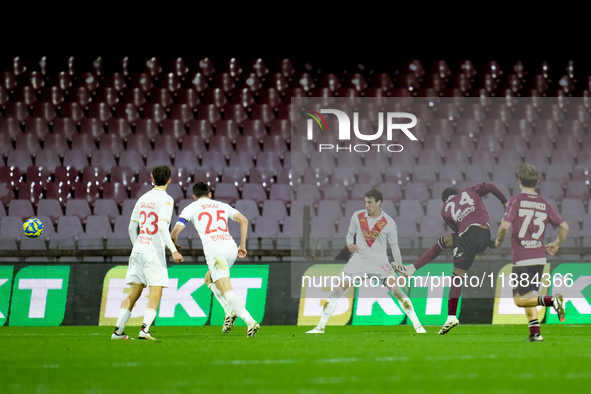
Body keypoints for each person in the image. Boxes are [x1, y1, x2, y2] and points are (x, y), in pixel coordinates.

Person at [393, 182, 508, 335]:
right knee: (445, 240)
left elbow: (460, 231)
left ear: (444, 200)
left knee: (456, 275)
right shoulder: (470, 191)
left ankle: (451, 316)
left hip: (469, 235)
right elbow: (489, 185)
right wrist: (504, 201)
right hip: (485, 233)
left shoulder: (445, 209)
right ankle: (411, 269)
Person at [306, 189, 426, 334]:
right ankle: (320, 327)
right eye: (365, 202)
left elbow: (395, 248)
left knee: (398, 292)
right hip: (358, 261)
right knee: (337, 290)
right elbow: (350, 235)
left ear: (379, 202)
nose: (366, 205)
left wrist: (401, 272)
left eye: (369, 202)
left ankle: (418, 326)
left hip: (380, 263)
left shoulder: (389, 222)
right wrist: (350, 245)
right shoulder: (357, 216)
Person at [171, 182, 260, 337]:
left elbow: (174, 232)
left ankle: (250, 321)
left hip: (215, 251)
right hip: (231, 248)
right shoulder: (222, 205)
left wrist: (174, 246)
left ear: (194, 196)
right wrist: (242, 245)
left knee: (226, 290)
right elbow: (244, 220)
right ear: (209, 194)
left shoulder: (190, 208)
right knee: (209, 278)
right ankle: (228, 310)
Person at [495, 162, 568, 342]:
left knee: (519, 300)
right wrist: (557, 242)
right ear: (537, 181)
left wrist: (499, 239)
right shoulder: (545, 203)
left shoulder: (515, 201)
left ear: (519, 181)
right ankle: (535, 334)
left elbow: (504, 226)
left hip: (522, 259)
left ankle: (552, 301)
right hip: (539, 258)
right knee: (529, 297)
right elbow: (564, 226)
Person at [111, 165, 184, 340]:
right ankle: (144, 330)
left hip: (138, 249)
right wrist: (173, 250)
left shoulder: (142, 199)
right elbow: (161, 227)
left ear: (152, 180)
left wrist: (138, 245)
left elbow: (131, 228)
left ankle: (118, 332)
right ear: (169, 180)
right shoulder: (166, 200)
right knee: (156, 291)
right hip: (153, 252)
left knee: (133, 293)